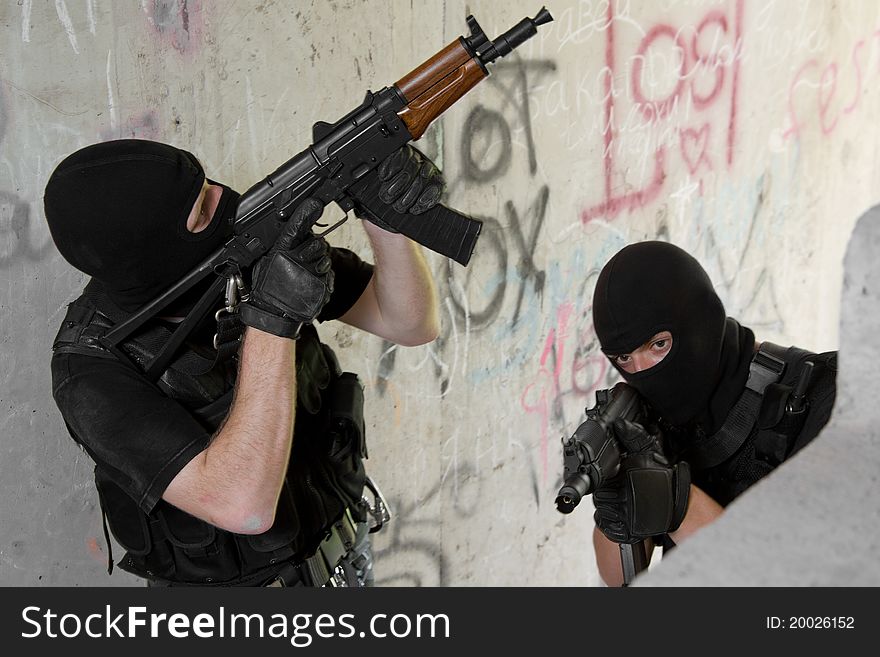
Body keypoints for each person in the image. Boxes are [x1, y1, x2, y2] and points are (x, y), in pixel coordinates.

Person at [44, 138, 443, 587]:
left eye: (208, 183)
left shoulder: (246, 256)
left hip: (345, 562)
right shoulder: (92, 371)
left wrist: (385, 218)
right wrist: (273, 320)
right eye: (201, 210)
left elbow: (409, 324)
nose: (226, 200)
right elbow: (244, 507)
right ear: (154, 251)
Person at [587, 241, 837, 586]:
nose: (642, 373)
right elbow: (618, 580)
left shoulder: (832, 395)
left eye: (657, 345)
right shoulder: (658, 428)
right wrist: (616, 502)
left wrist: (679, 501)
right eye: (623, 359)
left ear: (698, 321)